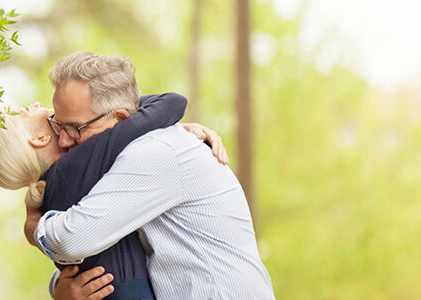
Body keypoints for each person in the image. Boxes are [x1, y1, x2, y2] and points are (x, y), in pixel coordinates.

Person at [36, 52, 273, 299]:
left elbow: (71, 240)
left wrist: (35, 221)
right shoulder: (146, 148)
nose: (63, 141)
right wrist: (59, 286)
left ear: (120, 118)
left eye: (75, 128)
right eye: (58, 125)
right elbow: (114, 247)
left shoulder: (154, 153)